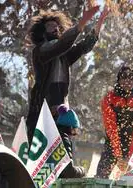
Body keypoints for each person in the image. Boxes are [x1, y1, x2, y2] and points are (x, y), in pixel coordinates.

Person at [26, 5, 110, 145]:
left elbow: (84, 46)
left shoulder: (64, 55)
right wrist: (82, 22)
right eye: (50, 26)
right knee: (42, 155)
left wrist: (100, 20)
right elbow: (60, 45)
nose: (55, 28)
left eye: (57, 26)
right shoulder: (40, 51)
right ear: (42, 32)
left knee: (64, 151)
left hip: (61, 112)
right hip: (42, 110)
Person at [96, 65, 133, 179]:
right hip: (113, 141)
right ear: (118, 80)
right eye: (124, 78)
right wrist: (119, 156)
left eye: (131, 78)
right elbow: (111, 127)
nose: (127, 81)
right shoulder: (109, 99)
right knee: (101, 174)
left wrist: (131, 156)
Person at [56, 104, 85, 178]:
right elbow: (68, 172)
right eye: (74, 132)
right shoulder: (63, 140)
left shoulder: (53, 135)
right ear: (71, 127)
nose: (73, 135)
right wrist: (82, 170)